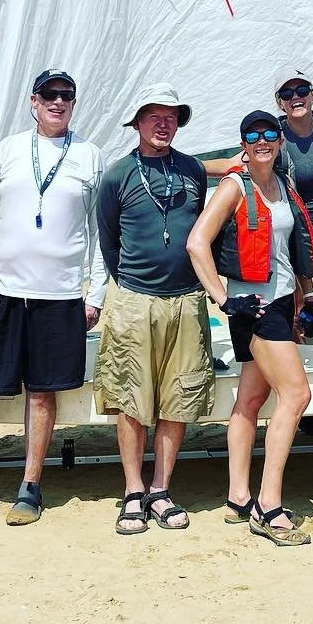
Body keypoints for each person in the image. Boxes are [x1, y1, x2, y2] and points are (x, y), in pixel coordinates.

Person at [0, 68, 106, 527]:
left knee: (42, 392)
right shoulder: (9, 149)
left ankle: (31, 485)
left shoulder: (89, 154)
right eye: (49, 95)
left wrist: (95, 294)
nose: (58, 102)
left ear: (73, 104)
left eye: (66, 96)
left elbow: (98, 231)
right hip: (5, 291)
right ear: (33, 102)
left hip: (61, 295)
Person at [186, 110, 313, 546]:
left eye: (269, 134)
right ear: (242, 143)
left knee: (250, 399)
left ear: (279, 140)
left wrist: (307, 297)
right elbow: (196, 242)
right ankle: (269, 504)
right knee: (297, 394)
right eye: (252, 135)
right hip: (255, 308)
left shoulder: (281, 185)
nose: (262, 141)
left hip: (281, 302)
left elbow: (287, 250)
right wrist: (223, 300)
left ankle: (238, 496)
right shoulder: (234, 186)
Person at [94, 84, 212, 536]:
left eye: (171, 116)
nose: (163, 124)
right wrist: (129, 286)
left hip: (186, 300)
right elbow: (109, 240)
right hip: (134, 300)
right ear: (138, 122)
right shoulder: (118, 175)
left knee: (177, 397)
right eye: (153, 116)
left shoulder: (192, 171)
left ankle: (161, 489)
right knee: (130, 396)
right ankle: (132, 490)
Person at [203, 69, 313, 288]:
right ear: (280, 103)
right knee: (300, 310)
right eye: (287, 94)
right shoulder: (273, 136)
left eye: (302, 90)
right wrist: (186, 166)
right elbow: (230, 164)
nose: (295, 97)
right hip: (294, 232)